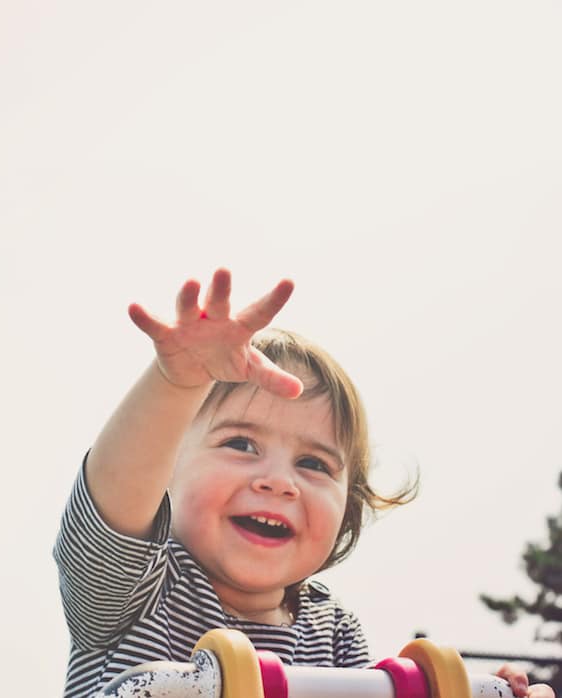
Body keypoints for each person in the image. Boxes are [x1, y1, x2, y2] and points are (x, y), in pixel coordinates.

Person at [53, 269, 552, 698]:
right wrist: (176, 384)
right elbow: (115, 500)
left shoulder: (334, 636)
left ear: (346, 512)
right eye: (241, 445)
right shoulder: (136, 594)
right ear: (167, 468)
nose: (278, 482)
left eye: (314, 464)